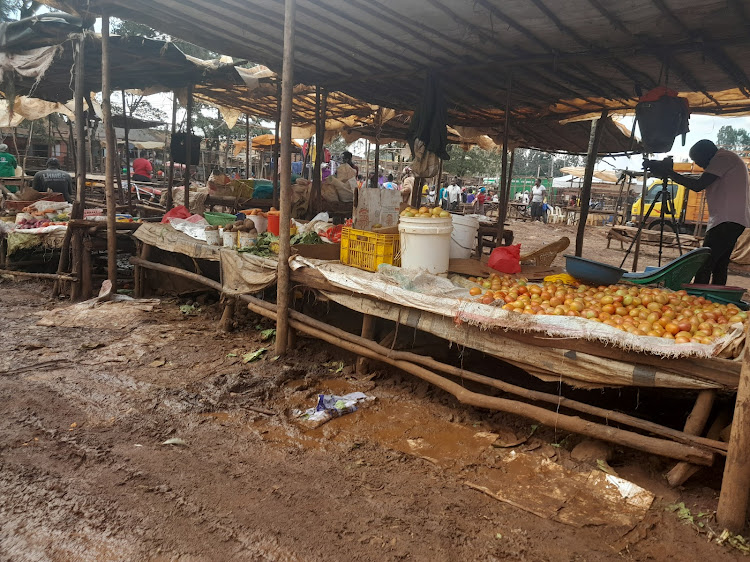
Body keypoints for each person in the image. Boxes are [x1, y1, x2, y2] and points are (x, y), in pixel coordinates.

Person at [658, 139, 750, 285]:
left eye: (698, 161)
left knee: (704, 262)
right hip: (733, 220)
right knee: (719, 265)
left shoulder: (722, 158)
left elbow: (698, 185)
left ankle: (698, 299)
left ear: (707, 154)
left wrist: (669, 173)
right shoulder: (727, 159)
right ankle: (716, 301)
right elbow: (699, 179)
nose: (700, 165)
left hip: (726, 221)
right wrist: (672, 174)